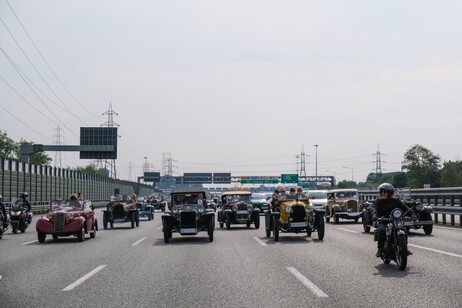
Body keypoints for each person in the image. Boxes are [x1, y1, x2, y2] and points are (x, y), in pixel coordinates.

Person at [372, 183, 413, 257]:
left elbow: (404, 208)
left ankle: (404, 248)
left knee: (404, 229)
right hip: (383, 220)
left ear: (390, 193)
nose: (382, 193)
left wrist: (412, 214)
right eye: (381, 192)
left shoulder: (395, 200)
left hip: (394, 220)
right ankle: (380, 249)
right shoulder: (379, 201)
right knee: (381, 230)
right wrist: (375, 215)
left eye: (385, 192)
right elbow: (376, 210)